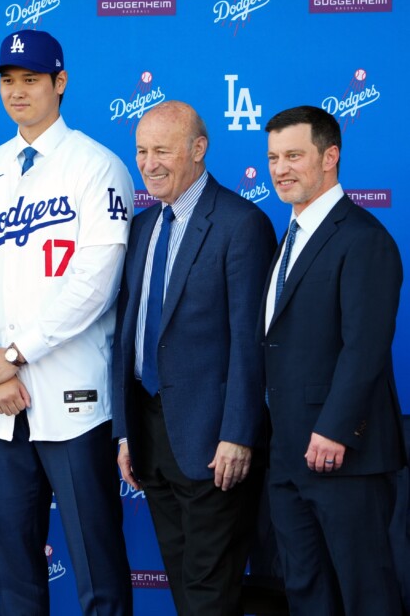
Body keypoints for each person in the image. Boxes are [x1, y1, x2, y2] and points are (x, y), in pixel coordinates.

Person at [0, 30, 133, 615]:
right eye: (8, 81)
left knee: (97, 566)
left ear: (60, 82)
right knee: (15, 570)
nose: (17, 92)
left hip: (72, 401)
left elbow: (94, 285)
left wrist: (15, 353)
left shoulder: (98, 167)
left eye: (30, 79)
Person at [111, 100, 276, 615]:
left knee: (209, 590)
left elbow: (252, 343)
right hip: (150, 436)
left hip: (213, 443)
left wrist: (238, 434)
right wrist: (124, 432)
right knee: (184, 583)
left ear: (198, 149)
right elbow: (127, 338)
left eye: (162, 149)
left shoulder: (240, 223)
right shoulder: (142, 228)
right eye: (141, 150)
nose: (149, 162)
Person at [261, 105, 405, 615]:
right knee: (306, 590)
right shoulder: (291, 237)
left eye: (294, 155)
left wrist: (335, 429)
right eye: (274, 157)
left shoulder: (364, 239)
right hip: (288, 454)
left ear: (330, 157)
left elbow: (365, 346)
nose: (281, 169)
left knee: (366, 592)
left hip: (344, 454)